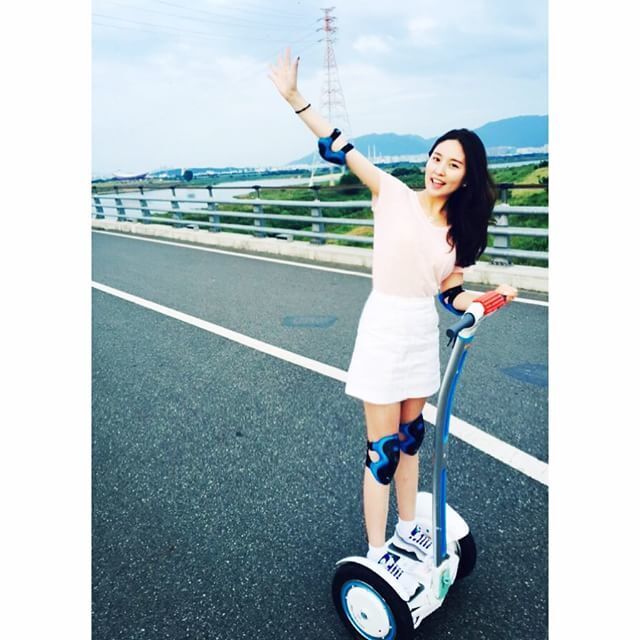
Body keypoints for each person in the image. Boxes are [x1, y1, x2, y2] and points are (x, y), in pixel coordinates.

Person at [268, 48, 517, 577]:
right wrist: (295, 99)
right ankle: (379, 552)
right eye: (436, 158)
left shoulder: (458, 231)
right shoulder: (394, 193)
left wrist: (482, 299)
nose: (439, 169)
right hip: (383, 328)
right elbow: (342, 146)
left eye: (453, 164)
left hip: (420, 334)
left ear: (467, 177)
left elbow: (449, 292)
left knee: (410, 442)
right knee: (381, 451)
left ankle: (407, 530)